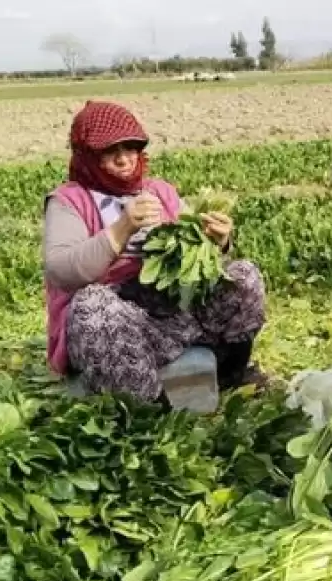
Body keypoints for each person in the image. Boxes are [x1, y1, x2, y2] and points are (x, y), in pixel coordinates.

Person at [43, 100, 267, 404]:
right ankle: (148, 402)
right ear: (87, 157)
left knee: (243, 275)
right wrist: (122, 228)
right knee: (90, 304)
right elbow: (61, 271)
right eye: (111, 152)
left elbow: (198, 263)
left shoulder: (160, 191)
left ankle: (228, 373)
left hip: (174, 313)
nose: (124, 160)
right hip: (119, 321)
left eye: (130, 148)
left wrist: (218, 242)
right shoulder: (69, 200)